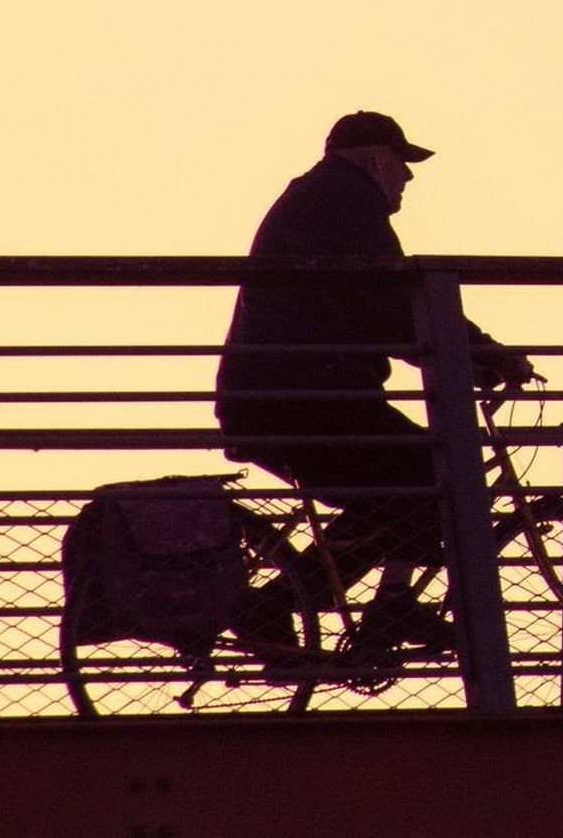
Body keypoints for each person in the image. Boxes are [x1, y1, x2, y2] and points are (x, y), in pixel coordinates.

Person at [215, 111, 534, 661]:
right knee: (428, 473)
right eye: (402, 164)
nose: (408, 179)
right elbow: (395, 301)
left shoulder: (322, 198)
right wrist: (483, 355)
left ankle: (369, 602)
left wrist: (470, 353)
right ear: (373, 159)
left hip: (288, 393)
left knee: (404, 486)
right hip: (304, 396)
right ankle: (304, 602)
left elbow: (387, 307)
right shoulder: (346, 199)